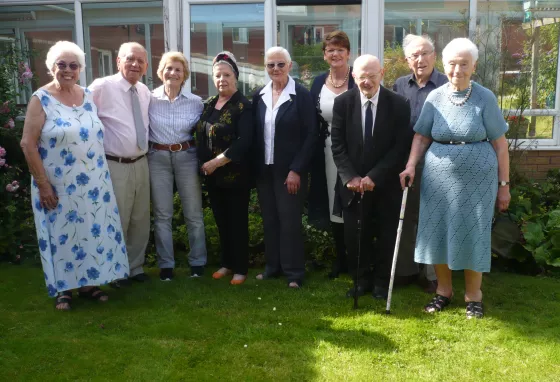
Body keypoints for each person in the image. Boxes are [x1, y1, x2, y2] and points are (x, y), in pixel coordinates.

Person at [399, 38, 510, 319]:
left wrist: (504, 185)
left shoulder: (485, 97)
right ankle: (443, 291)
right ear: (444, 64)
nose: (457, 69)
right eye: (452, 63)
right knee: (437, 232)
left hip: (478, 182)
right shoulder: (435, 98)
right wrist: (411, 166)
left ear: (474, 66)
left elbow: (500, 144)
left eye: (464, 64)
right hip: (437, 180)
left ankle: (474, 295)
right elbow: (421, 135)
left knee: (473, 232)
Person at [20, 41, 129, 310]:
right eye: (62, 64)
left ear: (80, 69)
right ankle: (64, 289)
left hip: (93, 183)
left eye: (73, 65)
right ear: (51, 67)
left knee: (90, 233)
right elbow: (27, 143)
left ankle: (89, 284)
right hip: (57, 184)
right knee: (62, 234)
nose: (68, 70)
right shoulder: (41, 99)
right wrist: (43, 184)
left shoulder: (88, 96)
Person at [330, 54, 411, 300]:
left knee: (386, 235)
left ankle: (381, 283)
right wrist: (350, 177)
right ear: (354, 76)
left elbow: (400, 147)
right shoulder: (343, 103)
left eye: (372, 76)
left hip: (386, 184)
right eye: (362, 76)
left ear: (382, 74)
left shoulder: (399, 104)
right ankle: (360, 281)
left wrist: (374, 176)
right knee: (356, 236)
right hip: (353, 186)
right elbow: (337, 144)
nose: (366, 81)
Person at [252, 47, 318, 288]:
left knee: (290, 222)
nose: (275, 69)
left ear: (290, 66)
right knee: (270, 220)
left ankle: (294, 273)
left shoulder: (301, 95)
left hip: (290, 171)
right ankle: (272, 267)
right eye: (271, 65)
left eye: (280, 64)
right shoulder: (259, 95)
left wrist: (297, 169)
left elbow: (312, 135)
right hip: (265, 170)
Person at [89, 42, 151, 285]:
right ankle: (115, 270)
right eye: (129, 59)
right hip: (115, 164)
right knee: (118, 218)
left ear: (146, 66)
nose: (135, 64)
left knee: (140, 218)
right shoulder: (102, 86)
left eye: (140, 61)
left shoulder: (144, 91)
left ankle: (135, 267)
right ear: (118, 61)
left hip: (141, 162)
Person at [392, 34, 448, 293]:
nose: (421, 59)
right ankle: (405, 270)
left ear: (434, 56)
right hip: (406, 162)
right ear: (407, 60)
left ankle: (431, 274)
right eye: (415, 55)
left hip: (439, 160)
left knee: (433, 217)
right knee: (406, 215)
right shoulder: (400, 85)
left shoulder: (446, 85)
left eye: (425, 53)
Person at [148, 52, 207, 281]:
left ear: (185, 76)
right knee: (163, 214)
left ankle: (198, 263)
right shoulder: (149, 99)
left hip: (186, 156)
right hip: (158, 157)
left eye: (178, 70)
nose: (173, 73)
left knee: (193, 213)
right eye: (169, 68)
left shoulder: (196, 103)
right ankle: (166, 266)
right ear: (160, 72)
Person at [196, 51, 253, 285]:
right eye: (218, 75)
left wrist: (216, 162)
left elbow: (245, 142)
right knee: (221, 221)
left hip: (235, 174)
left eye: (227, 75)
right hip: (212, 176)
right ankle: (227, 263)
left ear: (235, 77)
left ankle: (241, 268)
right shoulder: (209, 104)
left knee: (237, 221)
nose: (222, 79)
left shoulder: (243, 105)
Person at [308, 30, 356, 280]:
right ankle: (340, 260)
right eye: (330, 50)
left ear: (348, 53)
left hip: (354, 153)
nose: (335, 54)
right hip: (326, 153)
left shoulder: (358, 79)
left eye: (340, 49)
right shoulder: (317, 83)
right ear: (325, 55)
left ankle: (357, 259)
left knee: (353, 203)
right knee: (332, 205)